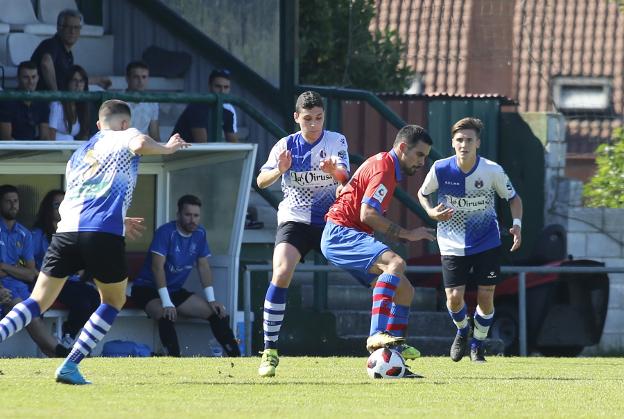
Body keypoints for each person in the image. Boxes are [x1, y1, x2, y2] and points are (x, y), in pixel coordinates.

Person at [0, 100, 189, 385]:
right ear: (124, 123)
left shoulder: (79, 153)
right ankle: (70, 365)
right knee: (114, 300)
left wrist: (118, 218)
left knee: (37, 301)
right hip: (102, 234)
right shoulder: (124, 134)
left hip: (66, 233)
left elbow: (88, 195)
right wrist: (167, 148)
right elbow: (139, 145)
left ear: (98, 125)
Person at [320, 125, 436, 378]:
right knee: (395, 262)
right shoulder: (384, 168)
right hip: (340, 233)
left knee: (405, 291)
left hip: (345, 234)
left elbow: (351, 189)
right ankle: (376, 334)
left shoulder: (384, 165)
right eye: (419, 155)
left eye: (425, 157)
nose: (422, 162)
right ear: (403, 148)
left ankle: (395, 353)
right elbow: (367, 214)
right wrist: (407, 233)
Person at [256, 91, 349, 377]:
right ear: (296, 118)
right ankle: (269, 351)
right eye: (307, 119)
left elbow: (347, 178)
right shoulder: (285, 146)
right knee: (281, 272)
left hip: (328, 220)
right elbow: (261, 180)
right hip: (295, 219)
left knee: (372, 268)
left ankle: (387, 341)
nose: (313, 124)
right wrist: (280, 170)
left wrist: (336, 172)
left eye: (318, 118)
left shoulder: (336, 141)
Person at [417, 117, 523, 363]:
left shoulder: (492, 170)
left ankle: (478, 343)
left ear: (478, 143)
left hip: (487, 241)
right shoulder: (441, 169)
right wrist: (431, 212)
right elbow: (423, 194)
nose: (464, 144)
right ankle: (463, 330)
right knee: (453, 298)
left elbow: (513, 198)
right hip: (451, 243)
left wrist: (516, 226)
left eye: (469, 140)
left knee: (486, 296)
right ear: (452, 143)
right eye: (459, 140)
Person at [131, 194, 240, 357]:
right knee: (165, 314)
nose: (192, 220)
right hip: (146, 289)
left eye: (196, 216)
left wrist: (211, 300)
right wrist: (167, 303)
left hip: (174, 290)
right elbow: (157, 268)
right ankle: (175, 360)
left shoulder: (200, 234)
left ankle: (237, 358)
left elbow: (203, 266)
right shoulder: (166, 232)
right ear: (179, 215)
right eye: (188, 215)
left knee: (217, 313)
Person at [0, 185, 70, 358]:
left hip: (18, 289)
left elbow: (31, 273)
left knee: (27, 310)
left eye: (15, 201)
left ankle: (58, 356)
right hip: (4, 289)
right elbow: (25, 271)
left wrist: (3, 267)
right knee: (23, 310)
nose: (13, 205)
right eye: (8, 201)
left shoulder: (24, 234)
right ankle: (59, 351)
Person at [31, 189, 100, 342]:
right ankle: (67, 337)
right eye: (57, 205)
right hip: (48, 282)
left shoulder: (72, 232)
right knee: (83, 303)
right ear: (48, 208)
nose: (62, 208)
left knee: (96, 299)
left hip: (71, 281)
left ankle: (69, 335)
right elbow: (26, 261)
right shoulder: (37, 234)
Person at [31, 9, 110, 91]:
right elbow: (46, 64)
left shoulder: (68, 54)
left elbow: (72, 80)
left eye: (76, 28)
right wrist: (55, 95)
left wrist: (98, 81)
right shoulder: (51, 44)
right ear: (59, 28)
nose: (72, 31)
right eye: (69, 27)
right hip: (42, 100)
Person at [171, 69, 238, 143]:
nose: (222, 91)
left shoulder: (228, 112)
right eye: (218, 86)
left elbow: (233, 142)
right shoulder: (196, 108)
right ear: (210, 86)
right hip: (180, 152)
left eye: (226, 87)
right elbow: (202, 143)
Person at [0, 61, 50, 140]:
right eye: (26, 77)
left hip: (35, 149)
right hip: (12, 150)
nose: (31, 82)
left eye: (34, 77)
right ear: (18, 78)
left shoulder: (42, 101)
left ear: (38, 78)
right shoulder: (7, 101)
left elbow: (45, 136)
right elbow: (6, 137)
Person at [48, 65, 90, 141]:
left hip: (73, 149)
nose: (78, 85)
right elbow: (51, 136)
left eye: (81, 81)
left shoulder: (81, 107)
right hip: (56, 150)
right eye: (74, 80)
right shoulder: (57, 104)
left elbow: (84, 135)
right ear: (67, 82)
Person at [125, 61, 160, 141]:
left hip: (144, 148)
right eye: (136, 77)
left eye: (144, 77)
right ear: (127, 79)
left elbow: (155, 136)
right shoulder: (117, 102)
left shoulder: (153, 103)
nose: (140, 81)